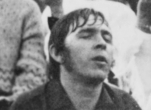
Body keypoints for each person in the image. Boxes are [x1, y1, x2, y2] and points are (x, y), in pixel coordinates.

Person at [11, 8, 141, 110]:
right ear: (57, 53)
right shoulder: (30, 105)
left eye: (107, 38)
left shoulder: (126, 105)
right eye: (86, 36)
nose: (102, 43)